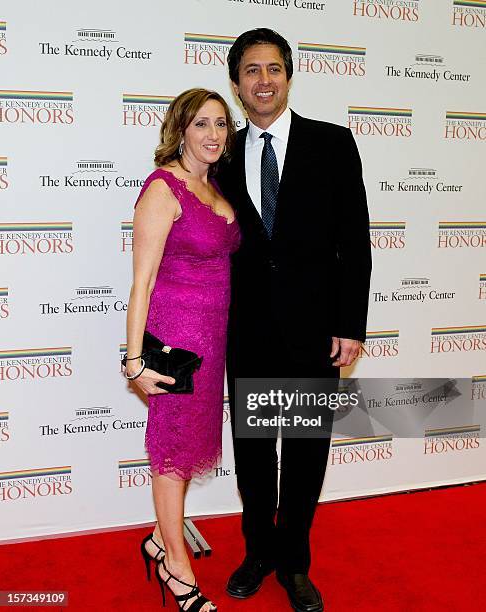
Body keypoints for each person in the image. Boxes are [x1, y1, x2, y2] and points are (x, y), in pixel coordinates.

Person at [218, 29, 372, 612]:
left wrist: (351, 325)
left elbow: (354, 242)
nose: (264, 80)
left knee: (307, 450)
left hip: (315, 331)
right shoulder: (222, 150)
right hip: (248, 331)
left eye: (274, 68)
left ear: (289, 75)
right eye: (252, 70)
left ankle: (295, 563)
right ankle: (258, 552)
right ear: (236, 83)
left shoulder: (332, 144)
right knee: (256, 452)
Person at [124, 88, 239, 612]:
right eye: (201, 125)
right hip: (175, 344)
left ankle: (158, 536)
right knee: (172, 454)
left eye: (220, 124)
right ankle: (176, 565)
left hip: (211, 341)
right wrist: (134, 362)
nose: (213, 134)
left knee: (188, 447)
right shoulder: (163, 189)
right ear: (181, 130)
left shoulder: (212, 185)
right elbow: (141, 283)